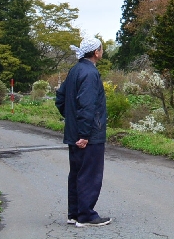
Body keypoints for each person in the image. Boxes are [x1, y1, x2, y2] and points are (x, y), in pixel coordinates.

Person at [55, 36, 110, 227]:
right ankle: (86, 215)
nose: (102, 51)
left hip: (73, 131)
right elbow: (87, 106)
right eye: (101, 49)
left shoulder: (75, 70)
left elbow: (60, 99)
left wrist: (71, 119)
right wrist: (85, 134)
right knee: (90, 174)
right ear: (96, 52)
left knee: (77, 173)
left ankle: (75, 213)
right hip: (89, 134)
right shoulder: (90, 73)